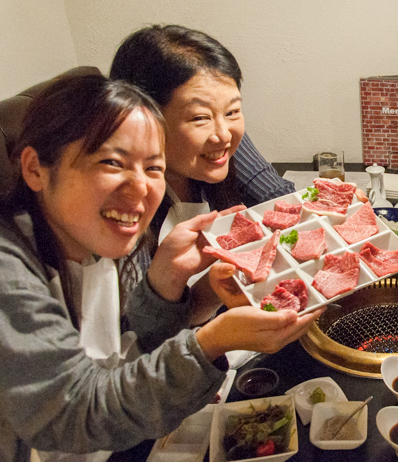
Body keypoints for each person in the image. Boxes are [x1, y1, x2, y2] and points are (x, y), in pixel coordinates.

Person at [0, 75, 320, 461]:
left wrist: (174, 286)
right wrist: (213, 341)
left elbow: (128, 348)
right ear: (35, 168)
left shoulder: (97, 235)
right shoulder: (10, 269)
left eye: (153, 167)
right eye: (112, 163)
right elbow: (74, 411)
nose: (139, 188)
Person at [109, 24, 295, 242]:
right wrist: (158, 277)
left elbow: (280, 200)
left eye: (232, 111)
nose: (224, 135)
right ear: (143, 119)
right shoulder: (119, 195)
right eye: (200, 117)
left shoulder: (223, 139)